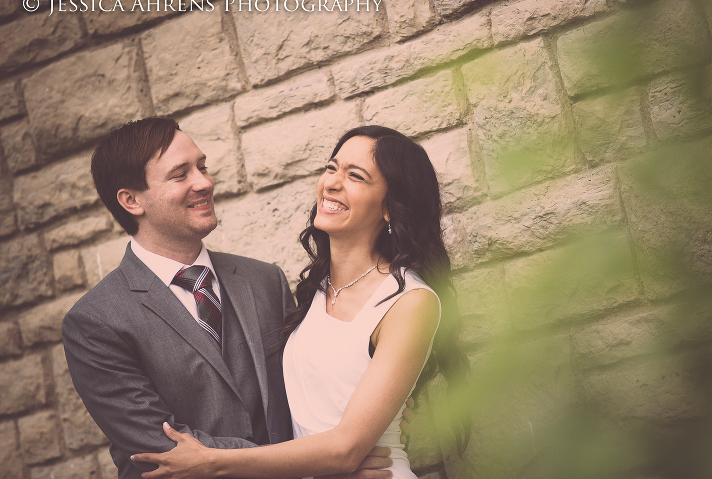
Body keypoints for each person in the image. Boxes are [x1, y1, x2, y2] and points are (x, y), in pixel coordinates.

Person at [62, 118, 397, 479]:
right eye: (180, 175)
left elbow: (310, 384)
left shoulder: (263, 280)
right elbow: (162, 450)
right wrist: (317, 461)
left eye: (202, 167)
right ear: (131, 200)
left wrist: (372, 428)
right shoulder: (94, 321)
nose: (204, 182)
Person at [132, 125, 470, 478]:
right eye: (331, 167)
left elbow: (345, 449)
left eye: (355, 176)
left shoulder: (410, 302)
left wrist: (212, 461)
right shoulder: (318, 290)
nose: (332, 183)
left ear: (390, 207)